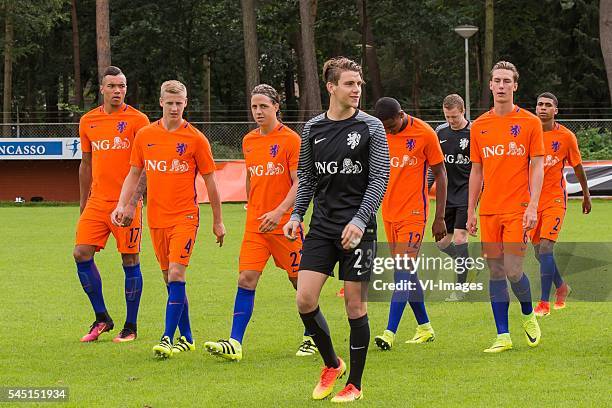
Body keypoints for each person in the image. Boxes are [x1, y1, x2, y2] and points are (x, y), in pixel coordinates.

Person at [283, 57, 389, 403]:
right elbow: (308, 178)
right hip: (323, 227)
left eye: (359, 84)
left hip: (359, 229)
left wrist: (360, 221)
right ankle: (332, 363)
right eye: (349, 84)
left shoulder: (372, 127)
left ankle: (354, 385)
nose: (356, 90)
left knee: (355, 308)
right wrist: (297, 214)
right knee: (304, 299)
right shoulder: (312, 129)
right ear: (331, 87)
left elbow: (379, 179)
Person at [112, 80, 225, 358]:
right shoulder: (145, 136)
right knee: (169, 280)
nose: (174, 107)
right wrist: (121, 204)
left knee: (176, 274)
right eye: (170, 102)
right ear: (161, 102)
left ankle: (167, 338)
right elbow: (134, 174)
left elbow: (211, 183)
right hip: (156, 218)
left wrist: (217, 221)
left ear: (186, 103)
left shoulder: (196, 139)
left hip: (185, 216)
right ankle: (186, 336)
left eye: (179, 103)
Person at [203, 84, 317, 361]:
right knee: (246, 278)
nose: (258, 111)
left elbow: (300, 183)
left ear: (277, 107)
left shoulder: (291, 140)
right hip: (256, 225)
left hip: (285, 226)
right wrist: (250, 201)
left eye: (263, 106)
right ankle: (234, 342)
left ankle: (313, 336)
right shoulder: (249, 140)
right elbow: (251, 176)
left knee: (298, 282)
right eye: (254, 106)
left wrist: (280, 213)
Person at [467, 61, 544, 353]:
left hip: (518, 208)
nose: (501, 86)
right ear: (490, 86)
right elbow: (477, 171)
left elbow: (537, 166)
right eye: (496, 81)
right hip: (489, 211)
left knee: (513, 271)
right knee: (495, 272)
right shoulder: (480, 126)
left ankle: (527, 314)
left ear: (515, 85)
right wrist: (470, 210)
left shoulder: (529, 122)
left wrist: (533, 206)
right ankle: (503, 335)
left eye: (506, 81)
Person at [73, 66, 149, 343]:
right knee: (81, 253)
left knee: (129, 259)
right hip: (97, 202)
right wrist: (83, 203)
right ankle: (102, 317)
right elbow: (86, 163)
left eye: (122, 86)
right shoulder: (88, 121)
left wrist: (132, 202)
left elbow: (144, 167)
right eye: (112, 86)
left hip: (127, 204)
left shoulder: (139, 120)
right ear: (102, 89)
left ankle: (130, 326)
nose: (117, 91)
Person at [372, 97, 447, 351]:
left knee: (402, 274)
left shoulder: (424, 133)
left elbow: (441, 174)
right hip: (389, 214)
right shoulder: (379, 134)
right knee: (409, 274)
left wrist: (440, 217)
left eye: (391, 125)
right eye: (384, 127)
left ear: (401, 114)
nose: (388, 131)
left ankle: (389, 332)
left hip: (414, 214)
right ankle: (424, 327)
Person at [532, 92, 591, 316]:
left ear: (556, 110)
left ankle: (543, 303)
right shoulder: (528, 133)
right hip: (532, 202)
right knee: (539, 253)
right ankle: (562, 287)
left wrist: (586, 195)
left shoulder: (566, 137)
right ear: (535, 108)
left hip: (555, 200)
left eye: (548, 105)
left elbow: (578, 167)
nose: (543, 108)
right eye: (540, 105)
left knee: (546, 248)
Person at [432, 94, 473, 301]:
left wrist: (476, 199)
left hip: (466, 192)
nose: (451, 121)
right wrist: (427, 184)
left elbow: (480, 168)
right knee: (441, 242)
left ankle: (461, 288)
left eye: (454, 117)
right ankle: (465, 264)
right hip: (446, 194)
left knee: (459, 238)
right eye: (447, 117)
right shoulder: (440, 132)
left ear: (463, 111)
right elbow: (436, 164)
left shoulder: (474, 132)